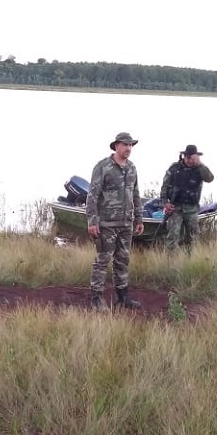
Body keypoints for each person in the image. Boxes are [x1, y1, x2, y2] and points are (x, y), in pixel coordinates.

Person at [86, 131, 144, 309]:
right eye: (125, 144)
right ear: (116, 146)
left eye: (131, 145)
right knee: (103, 260)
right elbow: (92, 195)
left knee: (123, 260)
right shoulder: (103, 167)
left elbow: (135, 194)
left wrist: (139, 219)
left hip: (126, 223)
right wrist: (92, 221)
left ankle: (122, 296)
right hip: (107, 224)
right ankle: (96, 297)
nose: (129, 148)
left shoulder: (132, 168)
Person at [160, 144, 215, 252]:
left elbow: (209, 178)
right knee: (173, 236)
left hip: (192, 209)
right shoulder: (174, 168)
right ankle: (171, 261)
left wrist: (200, 164)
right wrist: (165, 202)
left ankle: (190, 259)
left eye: (192, 158)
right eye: (188, 157)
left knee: (192, 237)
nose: (190, 160)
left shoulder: (200, 169)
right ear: (184, 156)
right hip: (175, 208)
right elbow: (165, 186)